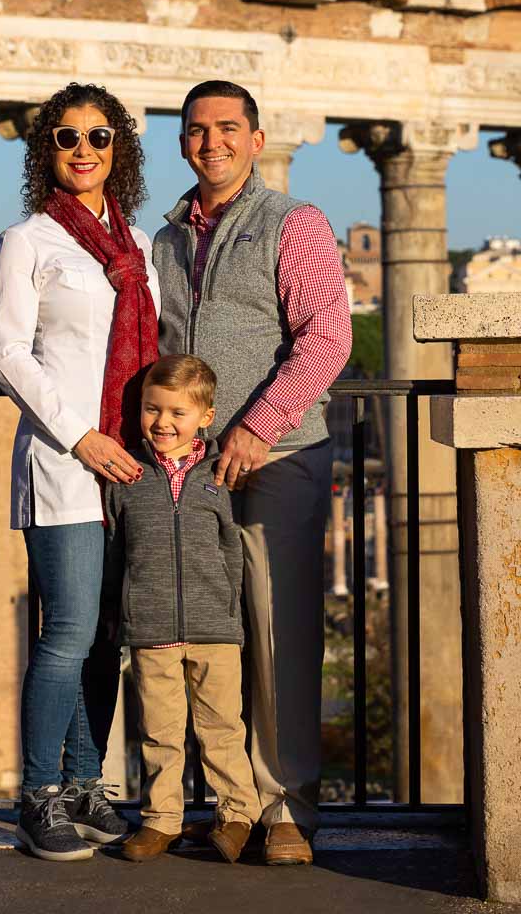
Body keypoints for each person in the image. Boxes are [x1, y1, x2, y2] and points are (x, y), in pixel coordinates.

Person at [153, 79, 352, 865]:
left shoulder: (292, 223)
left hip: (282, 457)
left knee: (280, 635)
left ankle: (288, 810)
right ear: (183, 143)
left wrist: (256, 428)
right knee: (203, 641)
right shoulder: (166, 240)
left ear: (257, 140)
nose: (213, 142)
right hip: (189, 469)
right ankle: (231, 802)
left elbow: (327, 339)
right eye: (198, 129)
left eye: (228, 128)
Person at [0, 82, 160, 862]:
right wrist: (79, 434)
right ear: (45, 150)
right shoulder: (27, 240)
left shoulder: (139, 245)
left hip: (135, 461)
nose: (83, 150)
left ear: (118, 148)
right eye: (66, 138)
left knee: (108, 638)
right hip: (66, 459)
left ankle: (90, 787)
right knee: (67, 632)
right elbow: (6, 353)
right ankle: (37, 794)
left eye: (98, 136)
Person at [104, 354, 261, 865]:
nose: (163, 423)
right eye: (153, 410)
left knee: (221, 729)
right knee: (159, 731)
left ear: (205, 417)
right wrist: (120, 613)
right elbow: (115, 551)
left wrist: (228, 610)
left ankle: (238, 815)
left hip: (215, 627)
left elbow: (230, 552)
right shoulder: (127, 478)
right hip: (150, 629)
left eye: (177, 413)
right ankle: (160, 820)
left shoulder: (218, 478)